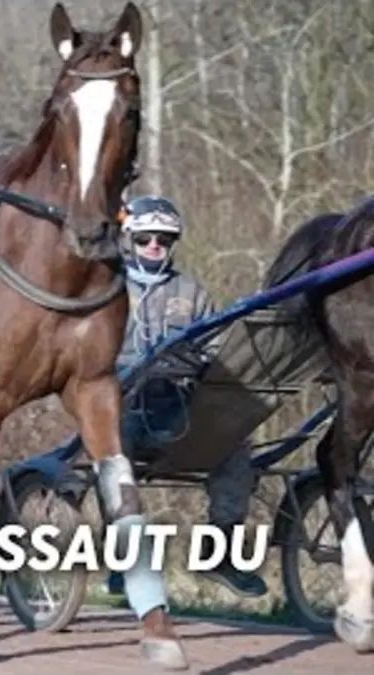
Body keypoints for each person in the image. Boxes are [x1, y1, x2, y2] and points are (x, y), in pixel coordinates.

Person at [103, 195, 268, 598]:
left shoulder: (191, 292)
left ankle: (219, 554)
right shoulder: (106, 289)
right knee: (113, 452)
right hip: (120, 404)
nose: (155, 246)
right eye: (145, 239)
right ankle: (121, 562)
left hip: (177, 405)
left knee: (234, 442)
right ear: (129, 240)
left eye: (163, 239)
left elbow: (215, 349)